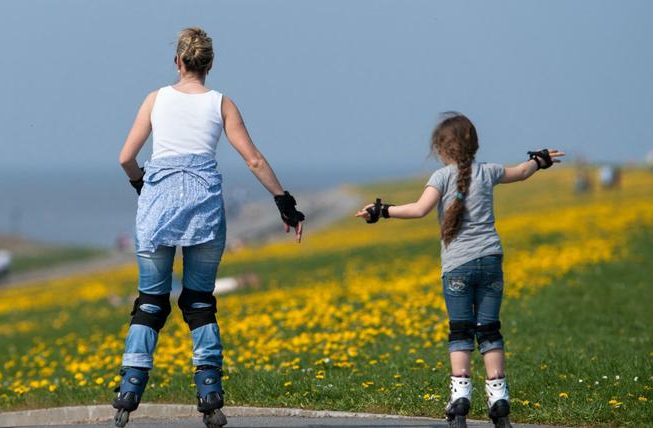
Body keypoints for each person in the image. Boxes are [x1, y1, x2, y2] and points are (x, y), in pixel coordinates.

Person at [111, 28, 305, 428]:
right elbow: (253, 160)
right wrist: (283, 202)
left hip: (157, 210)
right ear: (209, 65)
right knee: (199, 303)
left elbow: (126, 157)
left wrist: (141, 186)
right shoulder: (221, 104)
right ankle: (210, 394)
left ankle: (129, 390)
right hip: (204, 211)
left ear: (178, 62)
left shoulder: (156, 99)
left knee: (150, 303)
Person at [356, 113, 565, 428]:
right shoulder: (489, 171)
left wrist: (381, 211)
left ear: (441, 150)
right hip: (492, 260)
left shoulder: (440, 177)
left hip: (457, 266)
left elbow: (418, 210)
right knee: (490, 330)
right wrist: (541, 159)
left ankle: (460, 397)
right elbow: (522, 172)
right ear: (475, 145)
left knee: (461, 332)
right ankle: (498, 398)